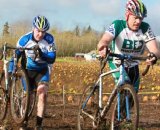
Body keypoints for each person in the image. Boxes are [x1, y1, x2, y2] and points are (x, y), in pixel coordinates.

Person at [97, 0, 160, 93]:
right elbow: (104, 40)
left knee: (132, 97)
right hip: (117, 62)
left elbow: (155, 49)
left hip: (133, 65)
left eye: (141, 18)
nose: (138, 21)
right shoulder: (118, 25)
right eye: (136, 17)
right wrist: (103, 47)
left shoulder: (145, 28)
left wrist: (154, 56)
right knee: (124, 87)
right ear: (127, 15)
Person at [9, 15, 56, 130]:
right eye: (38, 31)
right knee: (27, 96)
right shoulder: (24, 40)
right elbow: (15, 57)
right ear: (33, 28)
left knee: (42, 94)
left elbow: (52, 58)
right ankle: (24, 122)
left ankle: (38, 125)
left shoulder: (49, 40)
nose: (40, 34)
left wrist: (42, 54)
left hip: (42, 71)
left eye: (43, 32)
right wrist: (11, 70)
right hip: (27, 71)